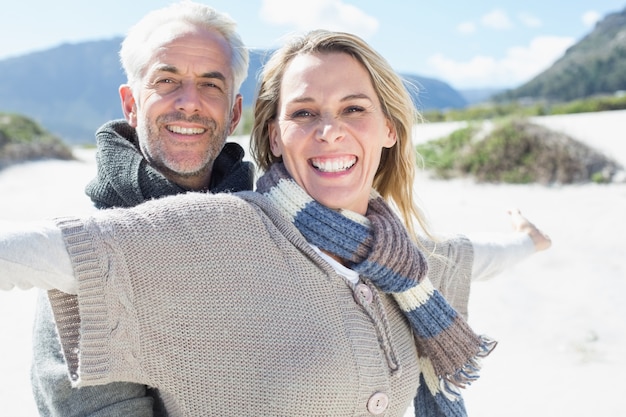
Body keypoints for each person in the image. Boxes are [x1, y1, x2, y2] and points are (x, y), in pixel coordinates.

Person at [0, 30, 551, 417]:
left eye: (354, 108)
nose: (329, 130)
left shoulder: (402, 258)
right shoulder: (215, 230)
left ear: (390, 130)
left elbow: (475, 256)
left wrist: (527, 241)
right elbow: (49, 250)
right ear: (272, 136)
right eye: (304, 112)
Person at [28, 2, 254, 416]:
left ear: (235, 112)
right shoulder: (86, 245)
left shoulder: (270, 225)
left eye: (210, 84)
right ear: (131, 104)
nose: (189, 103)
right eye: (167, 81)